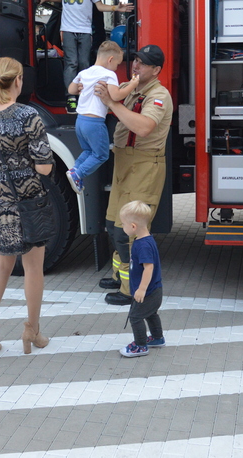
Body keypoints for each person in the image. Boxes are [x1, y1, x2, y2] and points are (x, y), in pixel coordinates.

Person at [0, 57, 55, 355]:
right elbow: (43, 167)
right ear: (18, 81)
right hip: (27, 202)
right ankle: (32, 330)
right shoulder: (28, 115)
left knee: (1, 264)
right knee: (33, 268)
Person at [95, 44, 173, 305]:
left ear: (157, 70)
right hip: (123, 164)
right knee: (113, 225)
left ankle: (132, 290)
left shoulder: (159, 95)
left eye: (143, 63)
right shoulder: (133, 88)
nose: (136, 65)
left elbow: (144, 127)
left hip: (143, 167)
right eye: (136, 60)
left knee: (130, 230)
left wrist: (110, 103)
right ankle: (120, 277)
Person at [38, 0, 134, 88]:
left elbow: (99, 6)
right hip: (68, 28)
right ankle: (70, 96)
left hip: (85, 29)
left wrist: (116, 7)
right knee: (71, 62)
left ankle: (84, 92)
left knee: (84, 62)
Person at [65, 40, 138, 193]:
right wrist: (132, 85)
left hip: (80, 121)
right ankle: (78, 173)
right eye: (117, 64)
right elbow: (116, 95)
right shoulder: (108, 74)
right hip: (94, 122)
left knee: (88, 151)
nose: (117, 68)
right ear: (110, 59)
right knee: (101, 154)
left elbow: (71, 89)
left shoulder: (84, 72)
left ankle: (74, 170)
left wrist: (79, 88)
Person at [118, 200, 165, 358]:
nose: (122, 227)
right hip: (154, 290)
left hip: (149, 292)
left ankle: (140, 345)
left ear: (133, 226)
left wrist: (142, 289)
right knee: (151, 313)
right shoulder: (145, 239)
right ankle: (158, 338)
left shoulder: (142, 245)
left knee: (136, 316)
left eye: (123, 224)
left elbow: (148, 267)